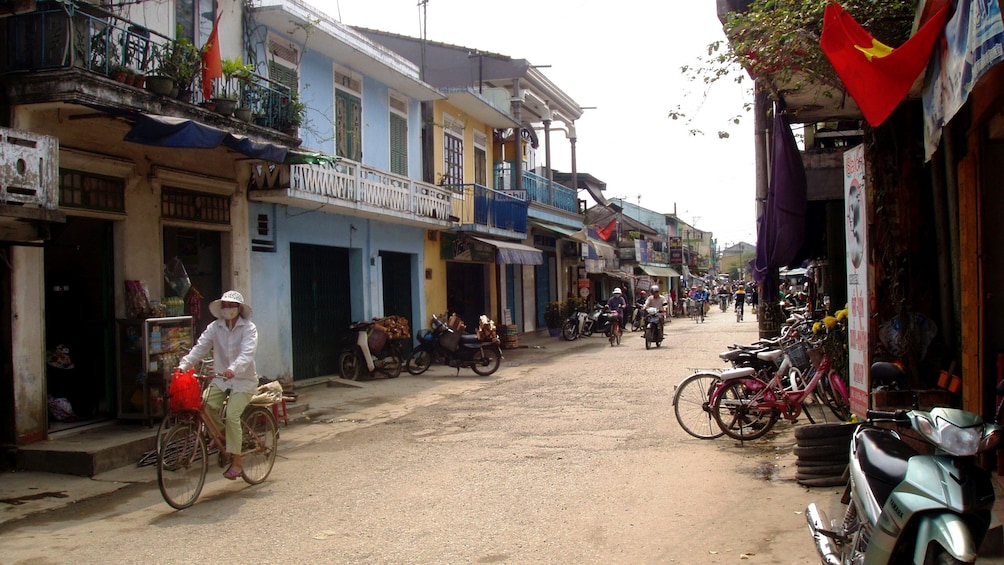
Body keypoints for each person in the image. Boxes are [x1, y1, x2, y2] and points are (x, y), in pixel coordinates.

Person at [178, 290, 258, 480]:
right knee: (204, 405)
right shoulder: (215, 327)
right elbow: (200, 347)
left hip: (243, 380)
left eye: (232, 306)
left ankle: (237, 463)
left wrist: (233, 369)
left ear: (239, 309)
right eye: (225, 305)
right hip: (222, 379)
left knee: (232, 415)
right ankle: (225, 436)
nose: (228, 309)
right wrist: (183, 366)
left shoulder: (249, 328)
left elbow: (247, 354)